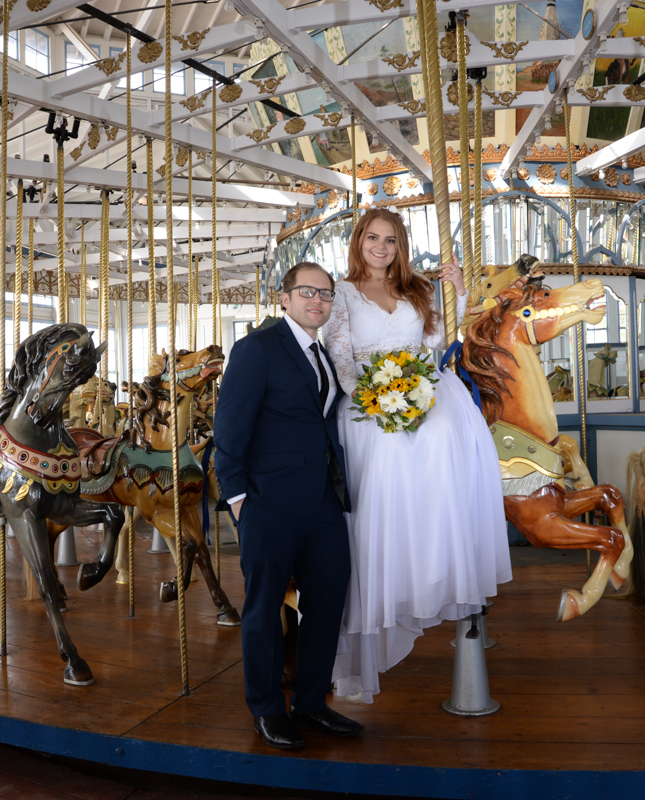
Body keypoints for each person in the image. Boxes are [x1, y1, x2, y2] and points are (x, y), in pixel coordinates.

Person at [325, 208, 511, 703]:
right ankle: (382, 590)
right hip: (368, 399)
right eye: (372, 238)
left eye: (390, 239)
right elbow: (341, 356)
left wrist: (457, 293)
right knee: (384, 464)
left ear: (400, 245)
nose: (381, 247)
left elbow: (435, 345)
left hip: (415, 386)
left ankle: (430, 565)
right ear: (358, 241)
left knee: (446, 432)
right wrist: (374, 398)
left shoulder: (417, 290)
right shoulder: (341, 294)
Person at [213, 262, 363, 750]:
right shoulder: (256, 349)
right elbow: (229, 433)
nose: (317, 300)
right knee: (262, 609)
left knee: (328, 600)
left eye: (325, 293)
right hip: (268, 502)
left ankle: (312, 701)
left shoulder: (324, 354)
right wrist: (239, 503)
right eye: (307, 292)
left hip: (321, 499)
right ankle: (266, 707)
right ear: (284, 297)